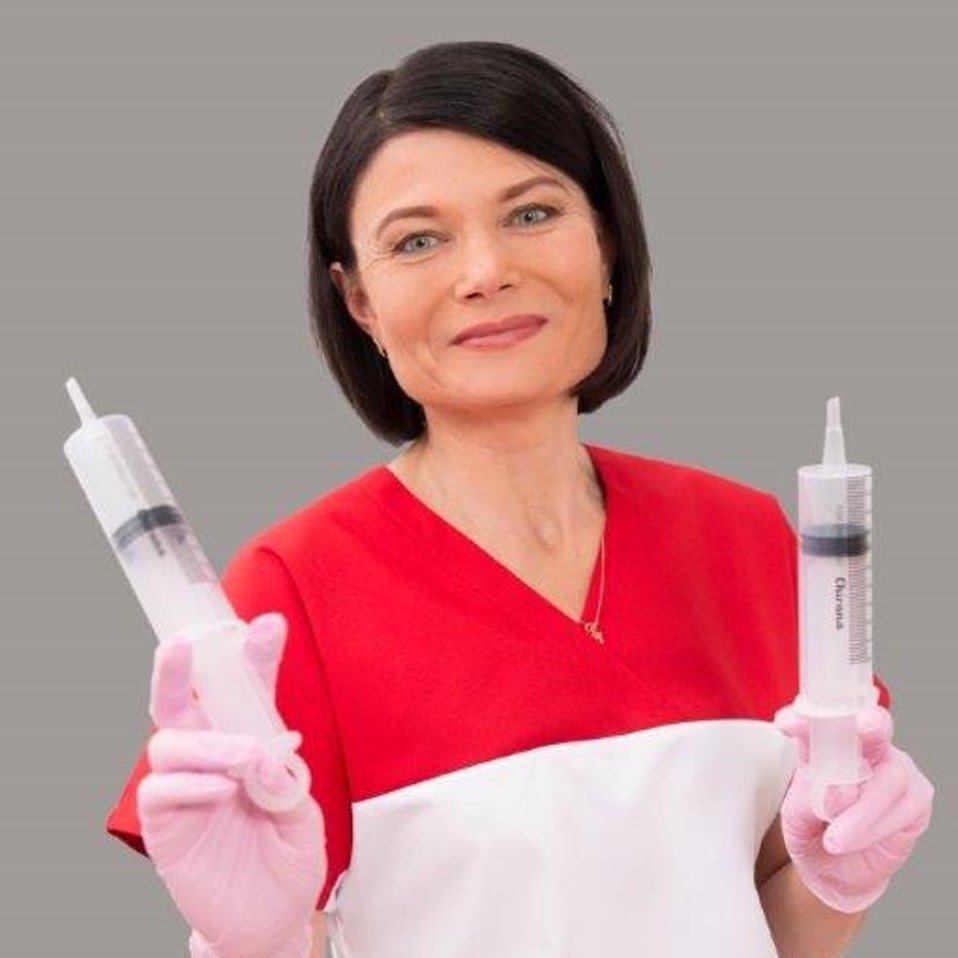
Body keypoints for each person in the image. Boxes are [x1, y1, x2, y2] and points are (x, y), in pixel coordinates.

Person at [105, 41, 933, 958]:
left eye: (532, 213)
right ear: (360, 302)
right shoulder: (289, 592)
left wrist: (838, 881)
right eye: (418, 241)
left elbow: (773, 926)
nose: (485, 271)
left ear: (607, 245)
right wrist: (252, 943)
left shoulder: (747, 539)